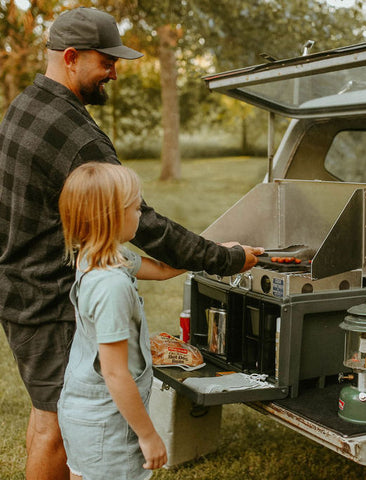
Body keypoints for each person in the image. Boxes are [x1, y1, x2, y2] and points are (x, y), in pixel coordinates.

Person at [0, 7, 264, 480]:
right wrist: (224, 259)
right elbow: (146, 226)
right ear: (73, 58)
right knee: (55, 427)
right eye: (107, 62)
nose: (114, 74)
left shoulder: (25, 105)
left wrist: (168, 268)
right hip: (45, 300)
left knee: (50, 417)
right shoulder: (77, 137)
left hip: (19, 285)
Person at [58, 162, 180, 479]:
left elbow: (165, 270)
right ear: (111, 217)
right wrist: (148, 434)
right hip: (107, 426)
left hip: (83, 413)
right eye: (136, 207)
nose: (140, 214)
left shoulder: (101, 255)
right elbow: (115, 373)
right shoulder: (111, 286)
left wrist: (218, 254)